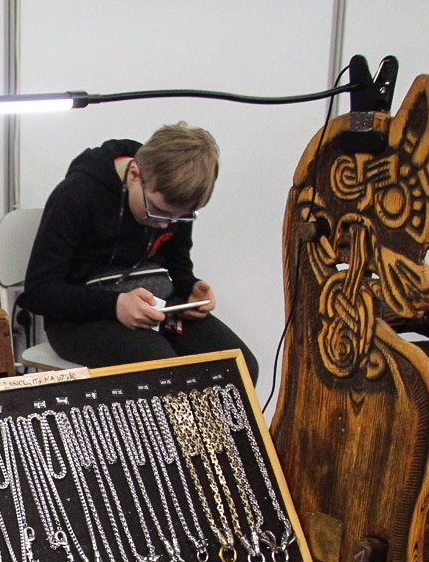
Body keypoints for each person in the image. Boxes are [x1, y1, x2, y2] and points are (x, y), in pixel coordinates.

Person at [18, 123, 257, 376]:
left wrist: (190, 288)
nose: (165, 224)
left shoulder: (173, 206)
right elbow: (39, 292)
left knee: (240, 369)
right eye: (158, 210)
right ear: (134, 174)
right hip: (80, 316)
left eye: (180, 216)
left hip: (156, 306)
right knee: (163, 373)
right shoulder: (76, 195)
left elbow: (178, 265)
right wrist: (115, 305)